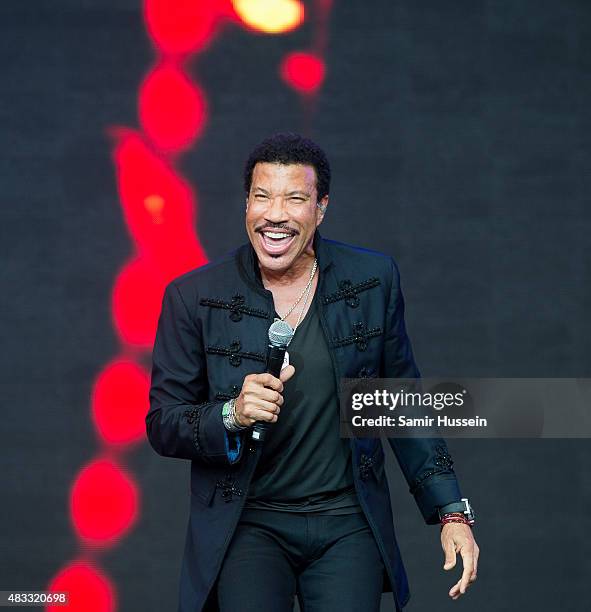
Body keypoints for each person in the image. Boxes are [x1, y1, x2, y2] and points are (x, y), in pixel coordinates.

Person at [147, 132, 479, 612]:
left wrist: (452, 512)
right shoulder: (193, 296)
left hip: (347, 521)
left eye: (294, 199)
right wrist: (229, 416)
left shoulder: (371, 281)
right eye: (261, 197)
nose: (275, 214)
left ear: (320, 208)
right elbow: (163, 423)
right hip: (248, 523)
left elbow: (402, 406)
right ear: (246, 206)